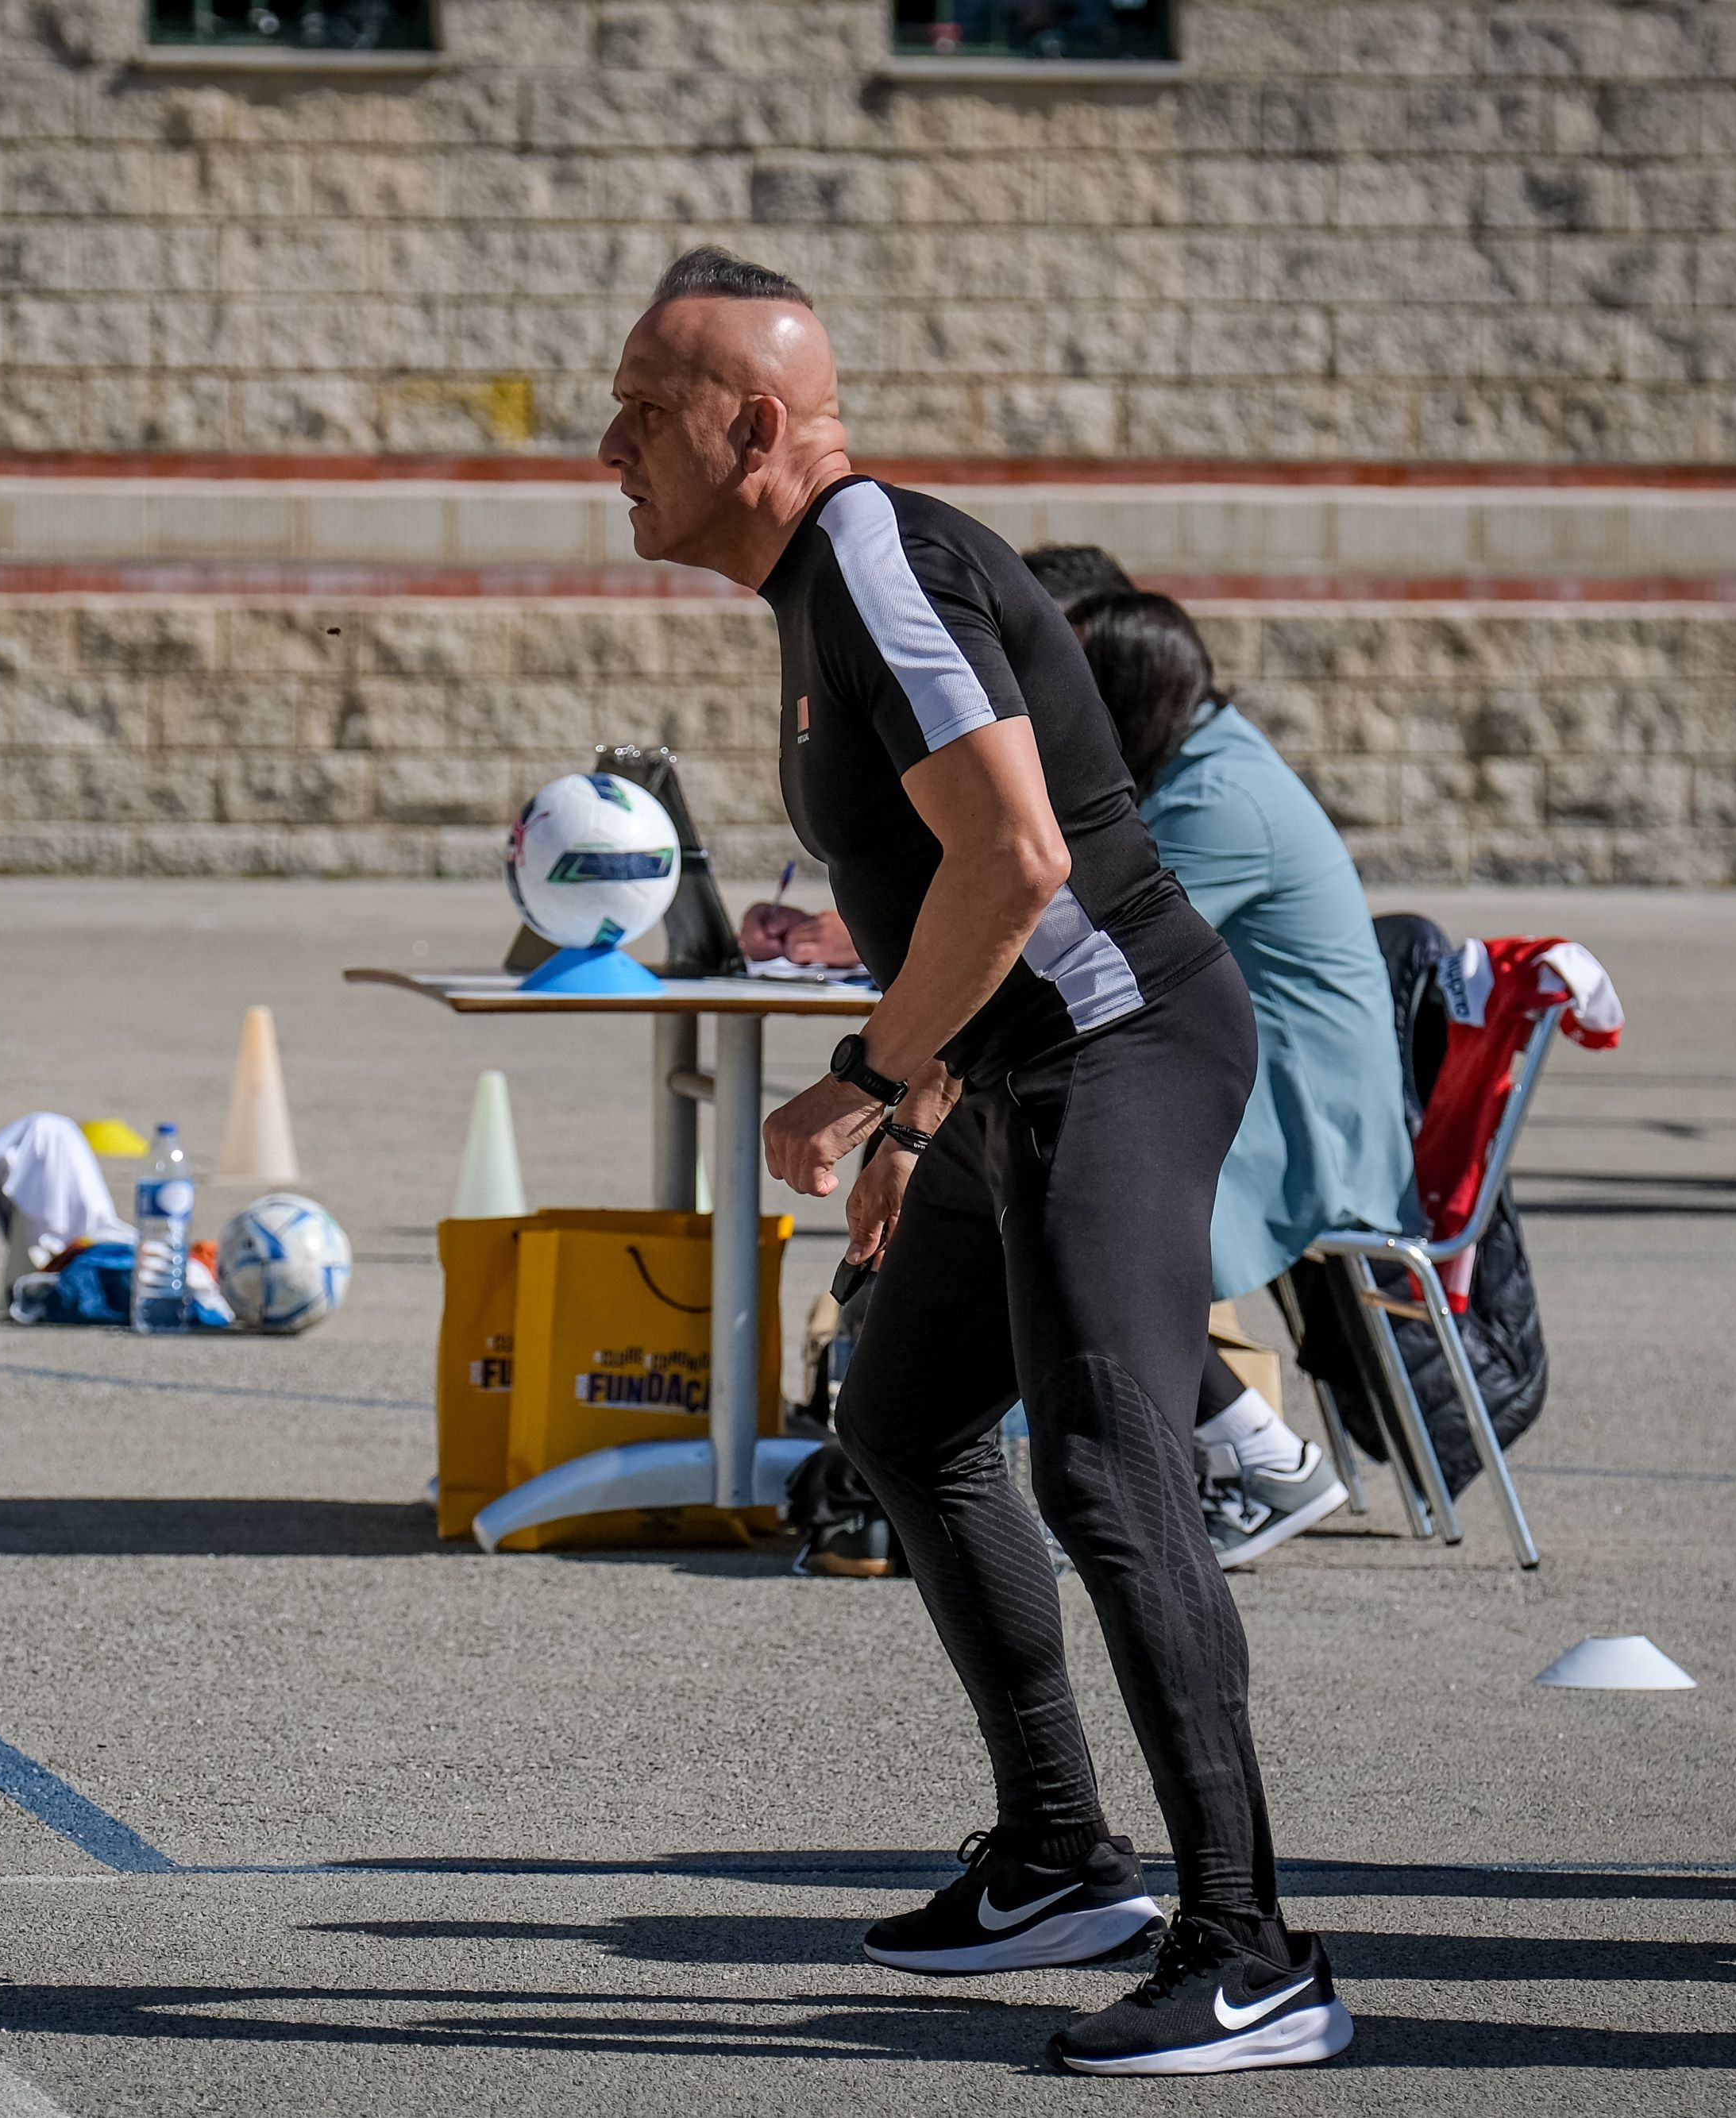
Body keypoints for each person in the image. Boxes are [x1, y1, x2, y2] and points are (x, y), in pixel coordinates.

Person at [599, 246, 1349, 2075]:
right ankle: (1055, 1855)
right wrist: (925, 1110)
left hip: (1121, 1048)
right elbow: (952, 882)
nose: (604, 447)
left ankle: (1251, 1955)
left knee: (1108, 1472)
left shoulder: (870, 560)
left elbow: (1015, 864)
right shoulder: (814, 583)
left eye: (640, 411)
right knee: (904, 1414)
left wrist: (864, 1080)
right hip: (1021, 1066)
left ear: (755, 426)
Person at [1040, 578, 1413, 1568]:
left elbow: (1092, 946)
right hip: (1250, 1081)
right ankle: (1196, 1454)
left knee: (1062, 1207)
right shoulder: (1198, 769)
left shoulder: (1219, 799)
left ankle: (1258, 1458)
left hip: (1295, 1117)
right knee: (1035, 1182)